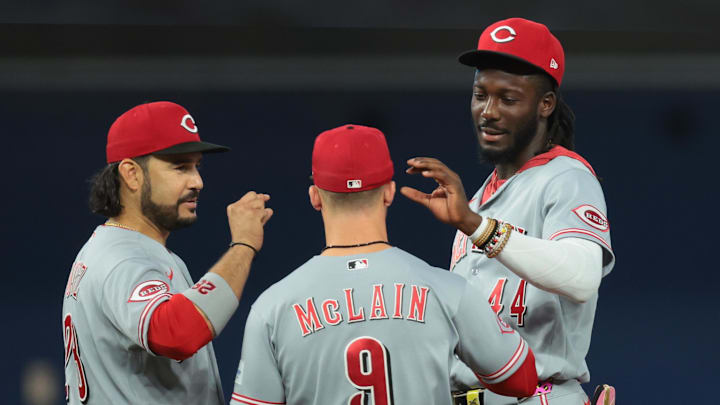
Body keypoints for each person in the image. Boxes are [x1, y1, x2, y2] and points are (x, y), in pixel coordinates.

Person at [229, 124, 539, 405]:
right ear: (389, 193)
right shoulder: (447, 290)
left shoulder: (273, 307)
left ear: (315, 197)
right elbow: (522, 379)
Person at [401, 18, 616, 405]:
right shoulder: (483, 195)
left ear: (545, 104)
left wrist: (475, 226)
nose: (489, 111)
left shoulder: (566, 177)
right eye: (480, 94)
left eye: (508, 98)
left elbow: (583, 277)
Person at [62, 101, 273, 404]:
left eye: (197, 166)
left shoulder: (120, 248)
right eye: (180, 167)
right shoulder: (122, 257)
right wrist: (243, 246)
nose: (197, 181)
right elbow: (175, 332)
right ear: (131, 174)